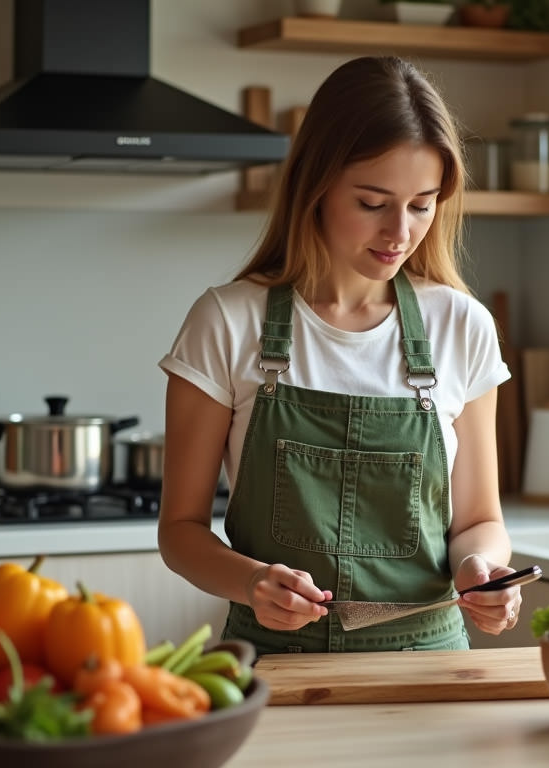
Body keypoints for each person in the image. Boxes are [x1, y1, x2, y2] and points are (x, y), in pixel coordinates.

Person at [157, 55, 521, 655]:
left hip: (429, 667)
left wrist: (481, 568)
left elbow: (480, 520)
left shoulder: (463, 325)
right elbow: (180, 533)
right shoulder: (226, 321)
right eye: (373, 203)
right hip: (273, 665)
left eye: (422, 204)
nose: (399, 232)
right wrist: (251, 582)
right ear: (317, 186)